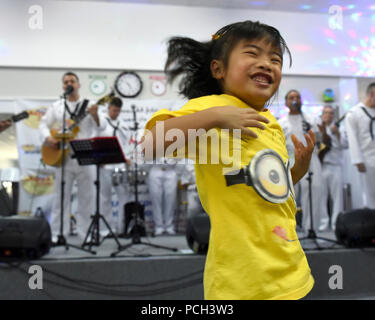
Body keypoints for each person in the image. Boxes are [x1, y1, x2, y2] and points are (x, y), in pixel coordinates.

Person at [142, 20, 315, 299]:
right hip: (242, 282)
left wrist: (296, 171)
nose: (266, 63)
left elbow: (267, 190)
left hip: (291, 271)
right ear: (218, 69)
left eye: (275, 59)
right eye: (252, 53)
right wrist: (216, 117)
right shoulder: (209, 107)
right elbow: (149, 145)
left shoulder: (270, 122)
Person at [39, 72, 107, 242]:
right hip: (63, 155)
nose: (69, 84)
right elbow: (43, 124)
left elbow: (101, 126)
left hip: (84, 154)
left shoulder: (90, 105)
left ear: (79, 85)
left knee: (87, 196)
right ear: (63, 86)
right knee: (61, 197)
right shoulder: (57, 106)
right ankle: (57, 234)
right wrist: (49, 138)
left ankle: (86, 234)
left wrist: (95, 115)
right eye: (66, 82)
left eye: (72, 81)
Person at [278, 90, 327, 233]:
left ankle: (311, 228)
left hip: (311, 158)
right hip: (290, 158)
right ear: (286, 102)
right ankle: (289, 230)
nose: (295, 99)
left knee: (313, 191)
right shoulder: (281, 123)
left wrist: (322, 132)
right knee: (289, 194)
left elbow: (320, 141)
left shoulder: (312, 119)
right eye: (291, 97)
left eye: (298, 97)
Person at [97, 97, 131, 236]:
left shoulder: (123, 125)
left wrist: (127, 158)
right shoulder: (101, 122)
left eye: (118, 111)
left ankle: (122, 228)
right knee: (105, 198)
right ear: (108, 108)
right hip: (105, 166)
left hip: (120, 165)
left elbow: (127, 144)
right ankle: (106, 229)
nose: (115, 113)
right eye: (113, 110)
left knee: (123, 197)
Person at [317, 106, 348, 231]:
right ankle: (323, 223)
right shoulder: (318, 128)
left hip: (335, 166)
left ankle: (336, 223)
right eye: (326, 113)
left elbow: (345, 145)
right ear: (322, 115)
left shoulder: (340, 128)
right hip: (321, 166)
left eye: (331, 113)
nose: (328, 115)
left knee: (337, 197)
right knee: (321, 196)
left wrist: (337, 133)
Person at [345, 83, 375, 209]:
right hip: (365, 160)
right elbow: (352, 139)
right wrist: (358, 160)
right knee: (369, 195)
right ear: (372, 94)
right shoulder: (354, 113)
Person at [147, 159, 179, 236]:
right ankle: (158, 226)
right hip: (156, 168)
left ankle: (169, 225)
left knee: (170, 198)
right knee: (156, 198)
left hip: (170, 169)